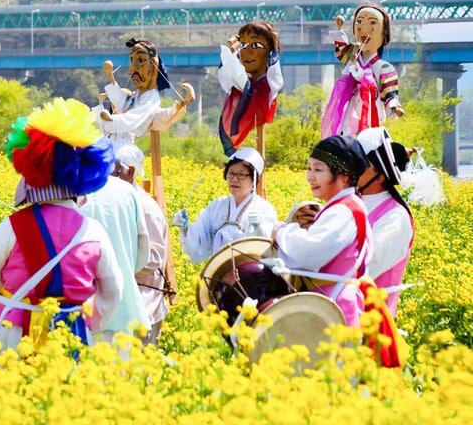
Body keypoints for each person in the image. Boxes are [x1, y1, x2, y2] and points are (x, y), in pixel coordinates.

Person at [0, 98, 127, 352]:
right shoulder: (93, 231)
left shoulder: (15, 225)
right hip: (73, 333)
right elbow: (113, 292)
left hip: (16, 332)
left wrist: (10, 293)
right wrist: (89, 318)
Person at [273, 136, 371, 327]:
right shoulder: (343, 205)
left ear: (343, 175)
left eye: (318, 169)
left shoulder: (344, 210)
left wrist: (281, 232)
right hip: (331, 301)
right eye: (309, 168)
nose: (310, 177)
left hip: (337, 305)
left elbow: (308, 253)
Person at [79, 145, 154, 342]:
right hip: (124, 306)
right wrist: (126, 269)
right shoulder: (127, 191)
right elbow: (143, 248)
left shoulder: (75, 191)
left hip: (82, 309)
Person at [111, 145, 172, 343]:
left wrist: (114, 264)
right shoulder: (116, 202)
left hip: (144, 302)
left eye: (113, 169)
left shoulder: (145, 207)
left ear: (130, 171)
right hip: (120, 302)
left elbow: (154, 259)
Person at [175, 148, 278, 263]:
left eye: (242, 175)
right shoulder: (217, 206)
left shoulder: (264, 209)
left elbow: (269, 249)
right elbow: (200, 239)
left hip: (250, 276)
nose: (234, 179)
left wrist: (259, 229)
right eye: (231, 173)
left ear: (254, 179)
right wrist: (185, 228)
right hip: (219, 272)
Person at [356, 126, 415, 315]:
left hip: (373, 324)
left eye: (360, 163)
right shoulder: (352, 201)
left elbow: (367, 264)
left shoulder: (395, 218)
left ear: (379, 177)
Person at [322, 2, 404, 136]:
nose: (364, 27)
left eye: (372, 23)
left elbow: (388, 91)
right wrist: (339, 30)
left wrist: (394, 105)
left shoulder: (383, 67)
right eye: (359, 21)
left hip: (371, 111)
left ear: (384, 34)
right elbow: (340, 51)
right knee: (344, 135)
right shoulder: (353, 57)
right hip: (350, 111)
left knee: (369, 139)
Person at [217, 20, 283, 156]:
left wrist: (228, 53)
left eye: (256, 45)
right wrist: (230, 52)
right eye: (243, 45)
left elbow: (236, 73)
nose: (247, 51)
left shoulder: (264, 87)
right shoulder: (241, 86)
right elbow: (229, 74)